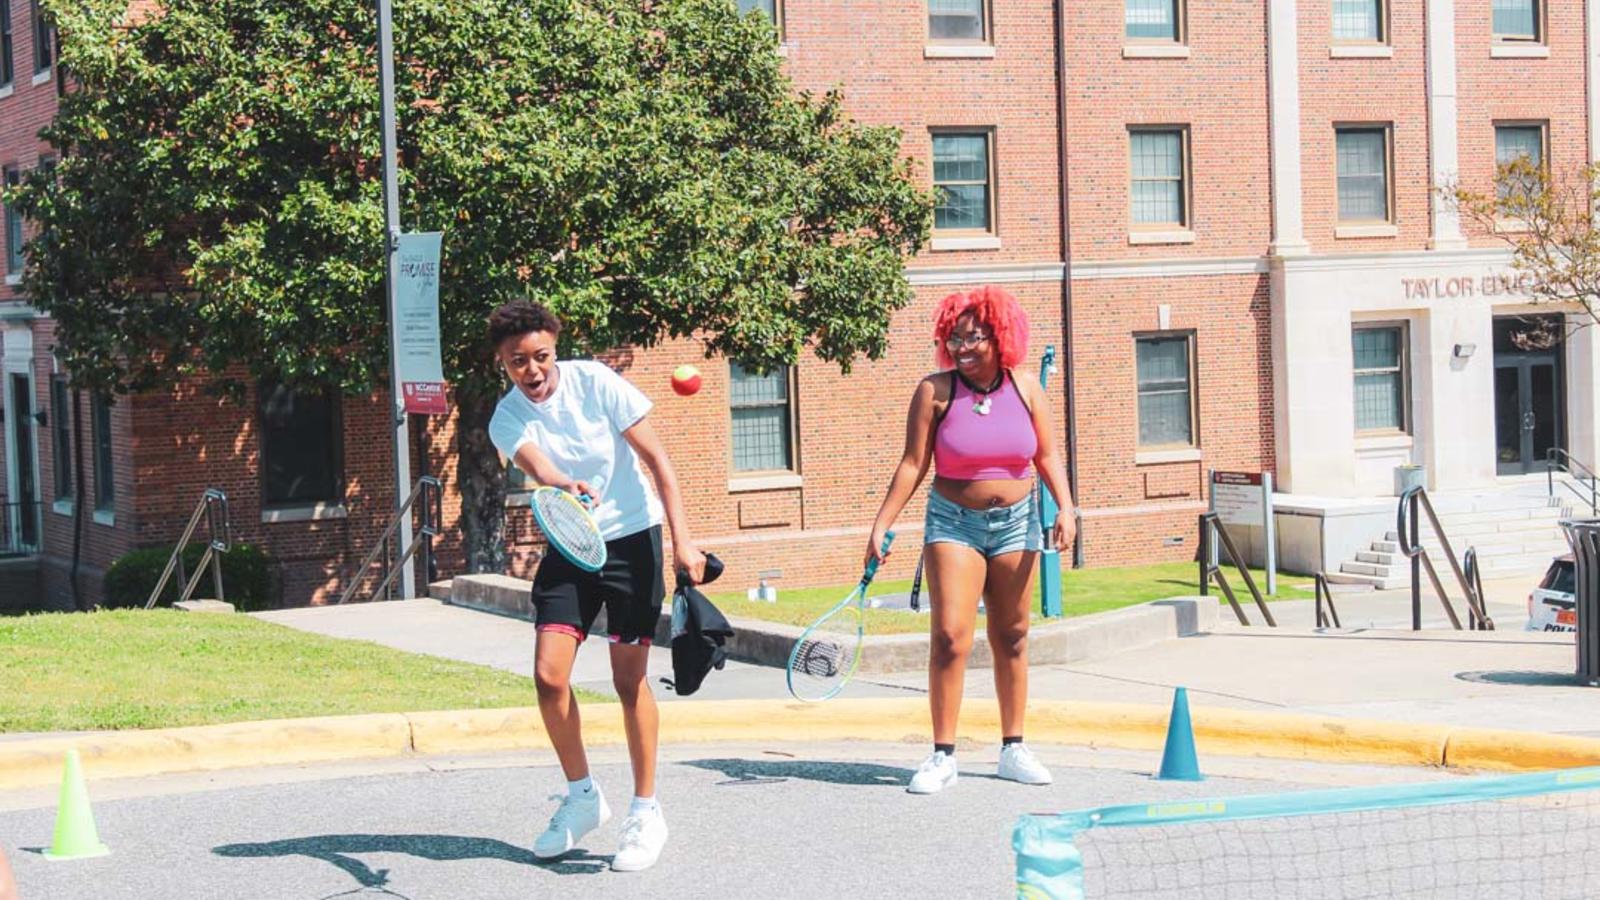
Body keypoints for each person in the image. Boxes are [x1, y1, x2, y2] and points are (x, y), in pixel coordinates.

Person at [487, 300, 708, 871]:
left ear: (555, 349)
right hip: (570, 541)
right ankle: (583, 797)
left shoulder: (596, 382)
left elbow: (658, 460)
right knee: (547, 675)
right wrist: (565, 482)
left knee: (628, 680)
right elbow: (538, 465)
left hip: (633, 539)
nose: (532, 371)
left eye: (540, 357)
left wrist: (684, 542)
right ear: (503, 364)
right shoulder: (507, 417)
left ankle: (645, 811)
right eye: (518, 362)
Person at [865, 285, 1076, 795]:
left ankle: (1013, 747)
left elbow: (1046, 456)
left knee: (1013, 635)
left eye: (974, 338)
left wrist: (1066, 507)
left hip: (1018, 520)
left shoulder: (1025, 387)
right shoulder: (935, 392)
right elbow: (914, 463)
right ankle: (942, 754)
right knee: (951, 636)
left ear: (999, 338)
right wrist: (881, 523)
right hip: (953, 521)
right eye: (954, 338)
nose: (961, 348)